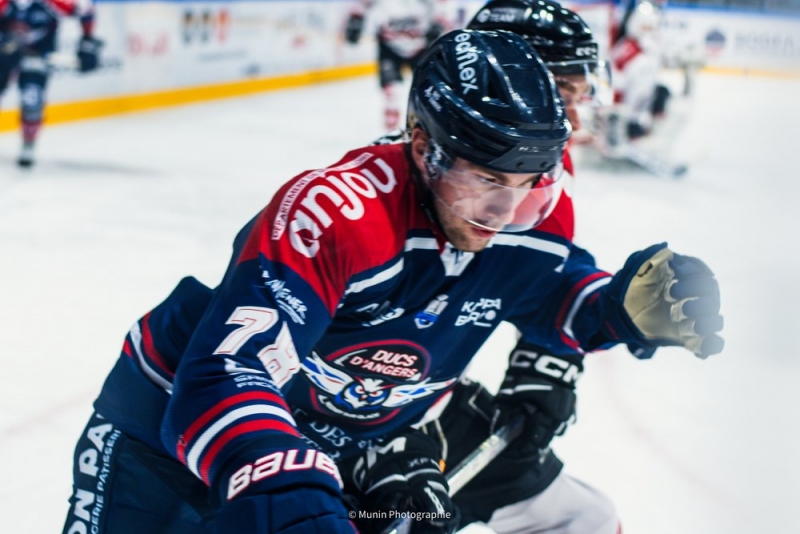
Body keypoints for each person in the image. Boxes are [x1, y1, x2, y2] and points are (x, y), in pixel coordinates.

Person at [62, 29, 723, 534]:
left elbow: (545, 295)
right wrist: (287, 482)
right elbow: (224, 375)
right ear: (422, 146)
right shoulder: (341, 214)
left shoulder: (529, 217)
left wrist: (616, 310)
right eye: (487, 179)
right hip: (171, 436)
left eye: (529, 183)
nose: (504, 211)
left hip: (347, 445)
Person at [0, 0, 101, 167]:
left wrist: (87, 40)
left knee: (32, 98)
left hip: (37, 57)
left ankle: (28, 144)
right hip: (4, 58)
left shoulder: (51, 2)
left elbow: (85, 9)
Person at [343, 0, 456, 131]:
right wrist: (356, 21)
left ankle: (432, 128)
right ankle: (392, 131)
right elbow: (361, 5)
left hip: (421, 46)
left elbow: (443, 7)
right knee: (392, 93)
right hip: (389, 47)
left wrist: (438, 25)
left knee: (430, 91)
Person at [609, 0, 669, 140]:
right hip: (625, 107)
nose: (648, 30)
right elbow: (623, 82)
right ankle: (632, 129)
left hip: (630, 104)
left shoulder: (642, 46)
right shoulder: (633, 49)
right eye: (646, 27)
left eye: (650, 27)